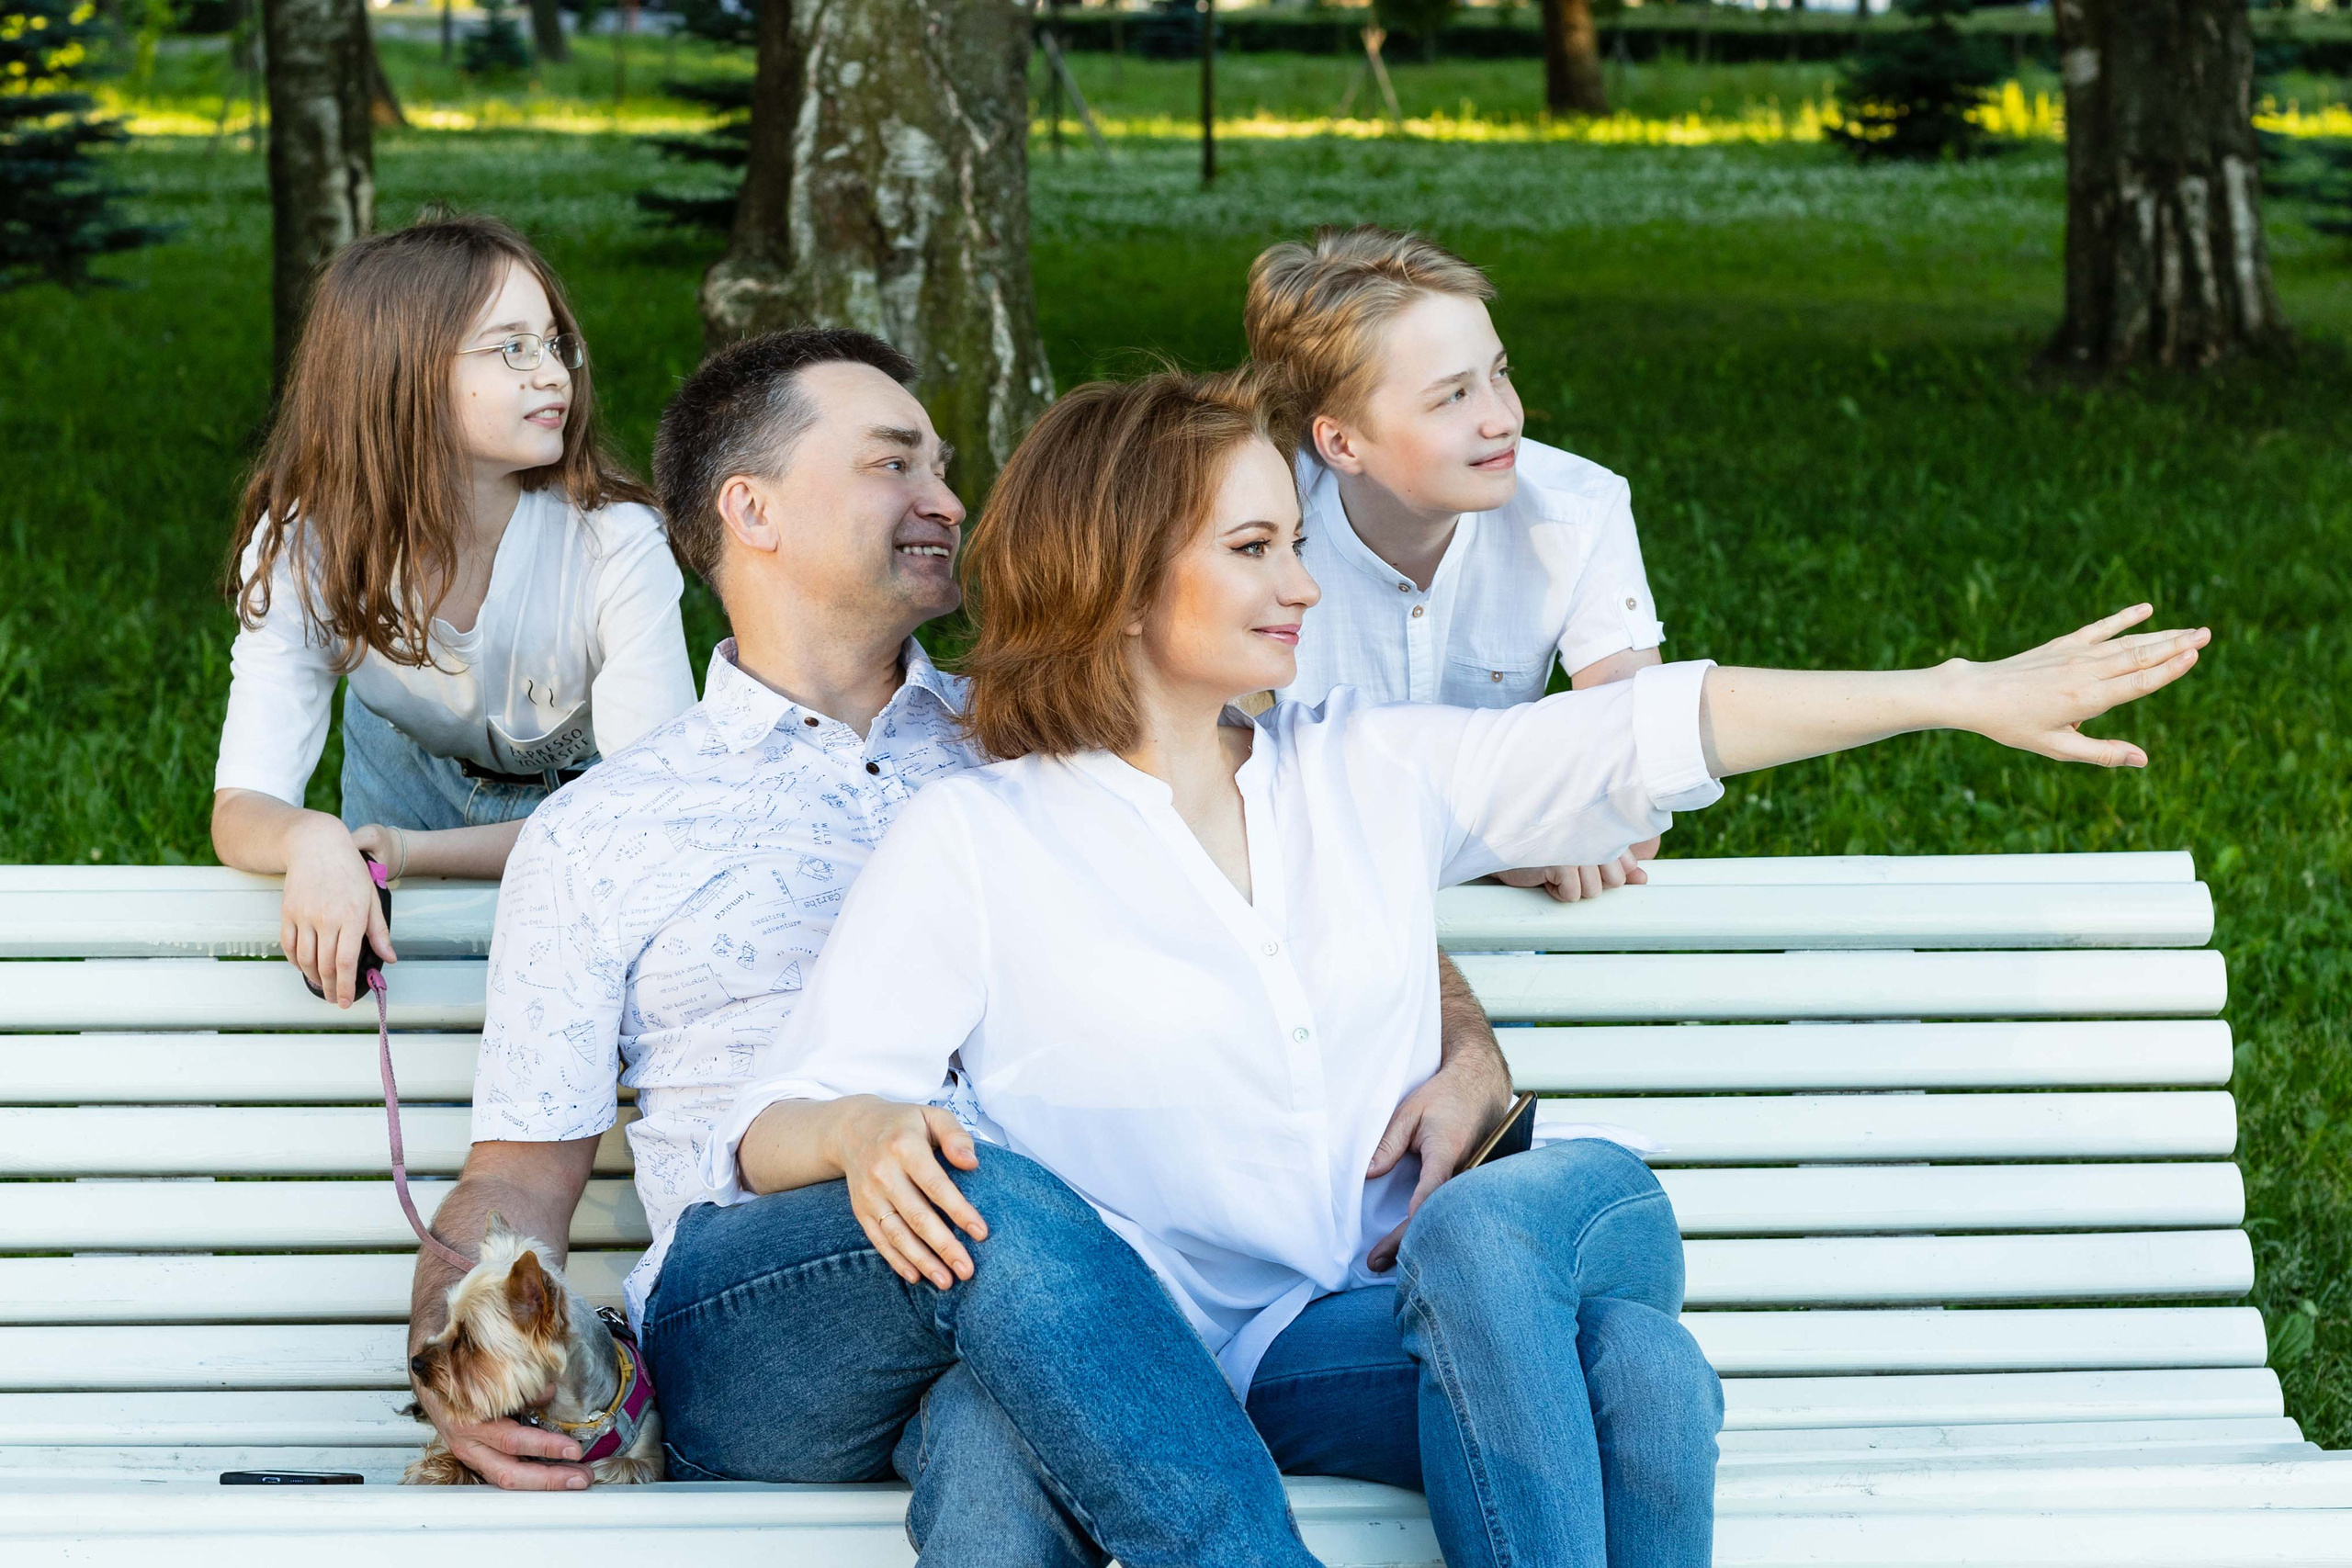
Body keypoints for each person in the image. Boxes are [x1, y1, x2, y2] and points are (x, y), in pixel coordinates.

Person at [709, 368, 2208, 1568]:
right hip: (1123, 1357)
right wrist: (860, 1126)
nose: (1301, 583)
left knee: (1582, 1298)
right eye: (1252, 549)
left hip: (1311, 1339)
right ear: (1110, 580)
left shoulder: (1366, 770)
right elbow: (781, 1123)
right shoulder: (984, 837)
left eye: (1293, 539)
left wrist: (1949, 694)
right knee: (1640, 1366)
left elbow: (1644, 728)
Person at [410, 329, 1488, 1565]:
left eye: (943, 462)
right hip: (770, 1321)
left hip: (1064, 1307)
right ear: (749, 508)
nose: (949, 498)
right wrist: (457, 1361)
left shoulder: (1056, 741)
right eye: (893, 463)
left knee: (992, 1436)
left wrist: (1462, 1048)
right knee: (981, 1189)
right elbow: (515, 1175)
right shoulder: (605, 826)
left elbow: (1311, 891)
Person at [211, 215, 695, 1009]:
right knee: (414, 1022)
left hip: (588, 810)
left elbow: (647, 822)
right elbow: (241, 804)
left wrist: (410, 852)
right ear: (400, 372)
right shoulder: (309, 546)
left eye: (554, 342)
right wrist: (314, 839)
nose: (552, 374)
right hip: (402, 775)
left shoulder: (613, 542)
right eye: (512, 348)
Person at [1248, 224, 1662, 903]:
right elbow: (1221, 799)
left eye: (1499, 374)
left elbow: (1635, 776)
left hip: (1516, 940)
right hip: (1306, 927)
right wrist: (1498, 839)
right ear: (1342, 442)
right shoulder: (1251, 533)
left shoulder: (1577, 512)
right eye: (1453, 396)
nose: (1503, 419)